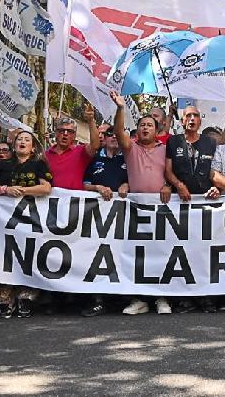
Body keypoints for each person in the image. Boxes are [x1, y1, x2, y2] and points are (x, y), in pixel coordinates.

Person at [110, 92, 173, 316]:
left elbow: (173, 174)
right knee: (136, 255)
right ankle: (138, 299)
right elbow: (119, 132)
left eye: (150, 125)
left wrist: (169, 186)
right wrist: (120, 108)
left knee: (160, 253)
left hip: (161, 210)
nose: (145, 128)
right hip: (135, 211)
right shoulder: (131, 148)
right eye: (142, 125)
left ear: (157, 131)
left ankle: (161, 297)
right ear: (137, 130)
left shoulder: (166, 150)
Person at [0, 131, 53, 317]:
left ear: (33, 147)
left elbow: (46, 187)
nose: (22, 142)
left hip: (31, 219)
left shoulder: (38, 164)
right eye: (19, 139)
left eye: (27, 140)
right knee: (5, 255)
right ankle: (4, 299)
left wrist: (23, 190)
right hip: (4, 220)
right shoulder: (2, 165)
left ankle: (26, 297)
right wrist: (5, 189)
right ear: (14, 145)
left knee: (28, 255)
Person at [165, 104, 218, 313]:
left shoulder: (210, 143)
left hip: (206, 204)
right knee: (183, 250)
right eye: (188, 116)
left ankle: (206, 296)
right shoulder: (174, 141)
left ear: (200, 121)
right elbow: (167, 170)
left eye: (196, 115)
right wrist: (178, 185)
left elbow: (216, 171)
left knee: (204, 251)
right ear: (182, 121)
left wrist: (216, 189)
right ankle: (185, 297)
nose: (192, 119)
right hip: (181, 204)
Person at [80, 126, 129, 317]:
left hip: (123, 215)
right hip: (98, 217)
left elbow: (140, 179)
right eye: (110, 134)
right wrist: (97, 187)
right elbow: (84, 184)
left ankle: (121, 297)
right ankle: (97, 299)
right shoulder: (94, 159)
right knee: (97, 254)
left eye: (118, 134)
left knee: (121, 253)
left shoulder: (128, 157)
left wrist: (127, 184)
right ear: (104, 139)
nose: (114, 137)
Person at [45, 108, 100, 191]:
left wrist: (91, 121)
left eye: (70, 131)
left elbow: (95, 145)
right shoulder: (45, 155)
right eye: (61, 130)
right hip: (51, 202)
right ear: (56, 133)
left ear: (74, 136)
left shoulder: (81, 152)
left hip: (74, 202)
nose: (65, 134)